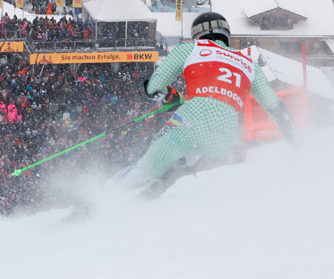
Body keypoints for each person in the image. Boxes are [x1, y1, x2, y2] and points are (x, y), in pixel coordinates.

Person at [114, 12, 298, 197]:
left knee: (146, 168)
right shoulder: (250, 64)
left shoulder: (190, 48)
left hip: (190, 119)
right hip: (225, 132)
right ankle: (169, 177)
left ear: (197, 34)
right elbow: (274, 105)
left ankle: (110, 194)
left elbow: (154, 87)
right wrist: (296, 141)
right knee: (195, 153)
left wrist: (168, 95)